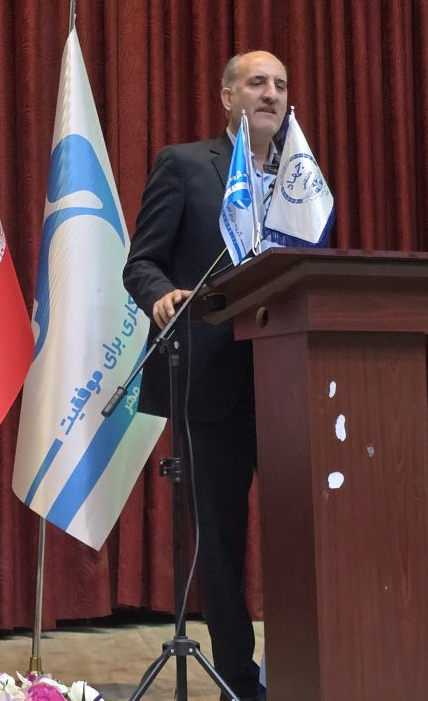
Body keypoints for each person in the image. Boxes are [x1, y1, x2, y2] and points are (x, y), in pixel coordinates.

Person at [122, 51, 288, 701]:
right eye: (257, 82)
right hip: (212, 381)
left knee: (305, 531)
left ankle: (306, 666)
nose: (271, 93)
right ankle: (239, 683)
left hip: (292, 380)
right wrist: (161, 296)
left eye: (280, 85)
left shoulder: (303, 182)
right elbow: (142, 263)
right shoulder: (186, 165)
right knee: (220, 543)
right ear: (227, 96)